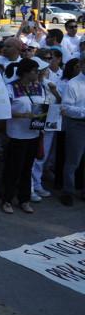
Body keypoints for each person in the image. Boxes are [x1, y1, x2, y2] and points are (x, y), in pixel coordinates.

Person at [2, 59, 46, 214]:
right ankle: (7, 199)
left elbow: (43, 108)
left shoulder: (39, 87)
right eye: (34, 71)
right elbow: (3, 110)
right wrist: (22, 115)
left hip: (34, 134)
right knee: (13, 169)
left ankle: (24, 199)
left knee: (28, 169)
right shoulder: (10, 88)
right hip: (16, 135)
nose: (37, 73)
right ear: (26, 72)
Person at [60, 54, 85, 206]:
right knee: (73, 161)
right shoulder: (73, 84)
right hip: (77, 125)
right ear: (82, 64)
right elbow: (66, 108)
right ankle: (67, 191)